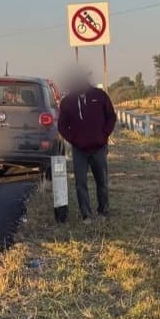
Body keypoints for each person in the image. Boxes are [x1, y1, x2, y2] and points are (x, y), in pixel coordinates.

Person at [58, 72, 117, 222]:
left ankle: (103, 211)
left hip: (99, 148)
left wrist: (104, 135)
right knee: (80, 183)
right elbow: (62, 126)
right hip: (79, 150)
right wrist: (74, 140)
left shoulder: (100, 96)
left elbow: (111, 116)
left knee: (102, 181)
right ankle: (86, 215)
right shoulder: (67, 102)